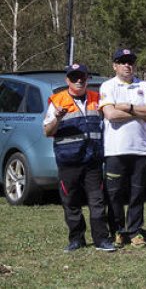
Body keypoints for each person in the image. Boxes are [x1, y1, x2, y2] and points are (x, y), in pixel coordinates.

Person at [44, 63, 114, 252]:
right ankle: (76, 239)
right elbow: (47, 131)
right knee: (71, 202)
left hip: (93, 160)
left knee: (97, 201)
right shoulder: (57, 100)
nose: (79, 80)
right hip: (69, 161)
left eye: (82, 76)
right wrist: (57, 118)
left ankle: (102, 239)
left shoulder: (96, 98)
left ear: (87, 78)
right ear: (67, 80)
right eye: (74, 77)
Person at [98, 47, 146, 248]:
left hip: (140, 149)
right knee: (114, 194)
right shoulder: (108, 86)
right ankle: (117, 231)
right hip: (116, 150)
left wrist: (129, 107)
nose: (127, 65)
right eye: (122, 62)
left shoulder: (145, 85)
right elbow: (111, 115)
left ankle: (135, 231)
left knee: (137, 193)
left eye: (130, 61)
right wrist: (141, 113)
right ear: (115, 65)